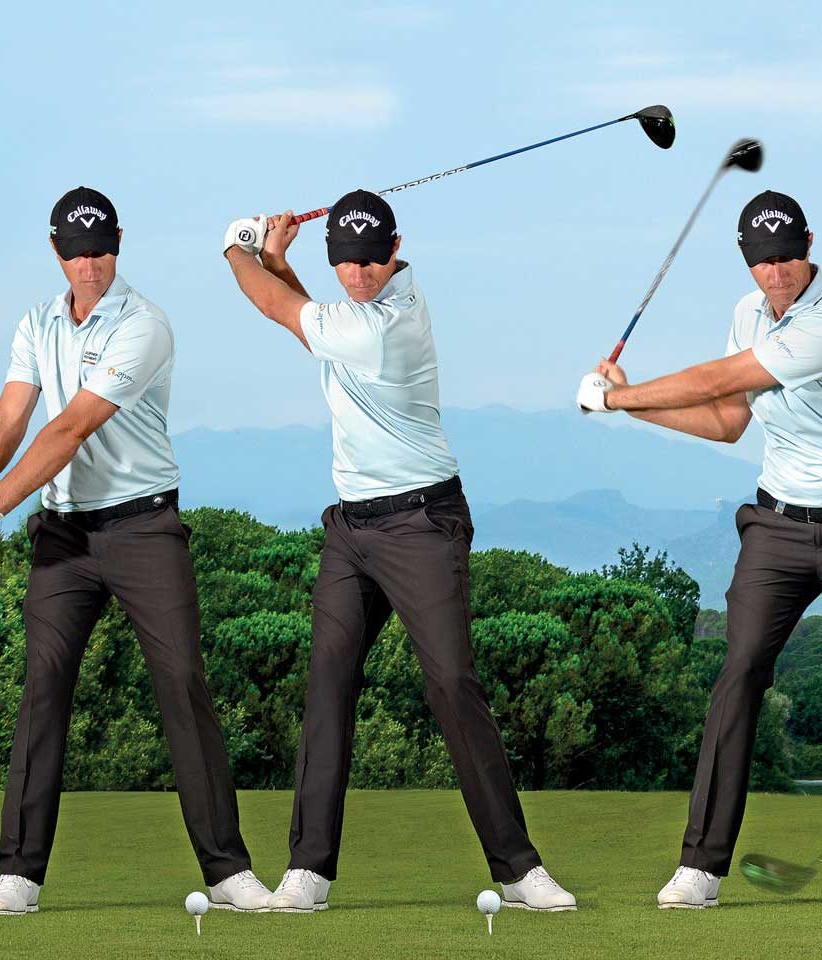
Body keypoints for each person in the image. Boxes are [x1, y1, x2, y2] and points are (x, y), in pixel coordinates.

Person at [575, 191, 822, 911]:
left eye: (786, 256)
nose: (776, 272)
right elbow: (725, 421)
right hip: (776, 528)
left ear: (810, 244)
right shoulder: (748, 312)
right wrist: (629, 407)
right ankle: (700, 867)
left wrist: (619, 398)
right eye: (761, 260)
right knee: (740, 672)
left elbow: (725, 380)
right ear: (746, 260)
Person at [0, 187, 272, 914]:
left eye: (102, 249)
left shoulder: (144, 324)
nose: (91, 265)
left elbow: (70, 429)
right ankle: (19, 875)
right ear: (57, 253)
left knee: (182, 681)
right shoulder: (36, 322)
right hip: (64, 536)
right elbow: (8, 419)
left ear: (119, 243)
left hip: (144, 529)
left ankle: (227, 871)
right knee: (43, 687)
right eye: (78, 253)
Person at [219, 192, 576, 913]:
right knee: (328, 686)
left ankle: (518, 868)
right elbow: (306, 322)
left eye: (370, 261)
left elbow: (276, 309)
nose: (358, 275)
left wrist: (237, 246)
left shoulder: (393, 323)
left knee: (451, 684)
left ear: (396, 248)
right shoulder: (356, 314)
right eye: (345, 263)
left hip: (421, 524)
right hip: (350, 529)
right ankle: (309, 869)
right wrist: (278, 263)